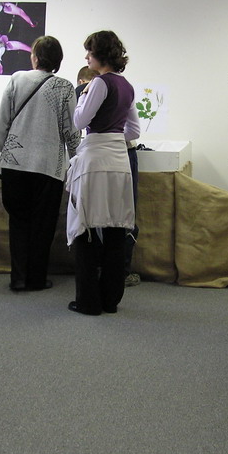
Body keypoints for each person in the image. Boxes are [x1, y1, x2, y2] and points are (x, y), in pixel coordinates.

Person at [0, 36, 81, 291]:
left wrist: (4, 149)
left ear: (34, 57)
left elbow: (3, 121)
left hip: (15, 164)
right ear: (58, 60)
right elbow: (71, 131)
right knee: (43, 226)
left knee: (18, 222)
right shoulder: (64, 87)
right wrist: (76, 159)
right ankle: (36, 278)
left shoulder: (16, 79)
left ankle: (18, 278)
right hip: (48, 166)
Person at [66, 30, 140, 315]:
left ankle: (88, 301)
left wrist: (82, 96)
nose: (86, 57)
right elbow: (134, 131)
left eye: (89, 52)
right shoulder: (127, 86)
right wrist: (113, 137)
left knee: (85, 226)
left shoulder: (98, 83)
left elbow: (79, 121)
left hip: (95, 161)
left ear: (100, 54)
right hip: (119, 162)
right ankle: (110, 299)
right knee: (115, 229)